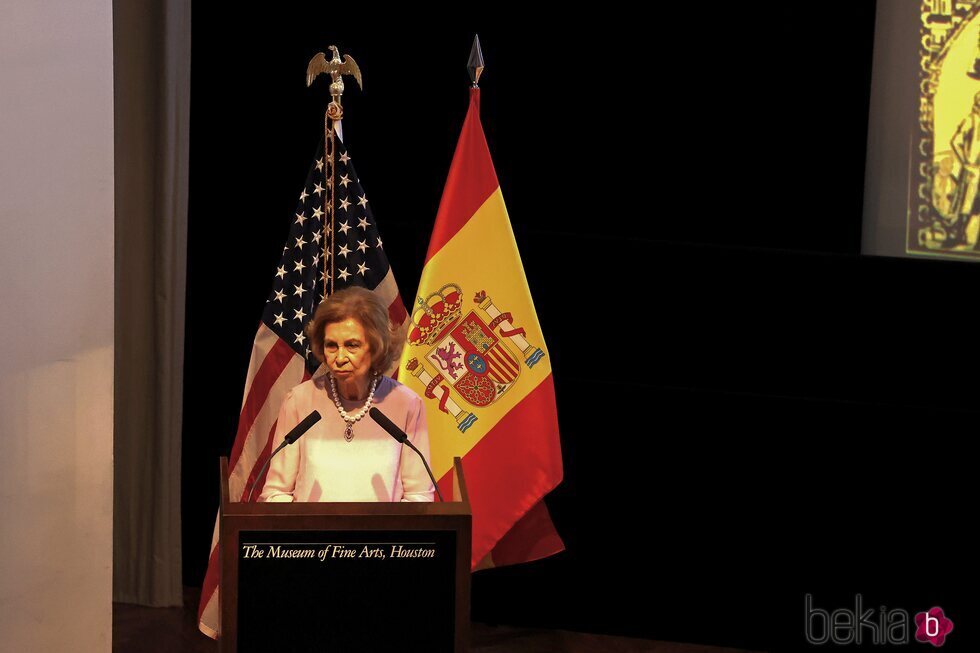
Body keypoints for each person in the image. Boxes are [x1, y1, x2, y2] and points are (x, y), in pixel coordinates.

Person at [260, 287, 434, 502]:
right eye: (331, 346)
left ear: (376, 347)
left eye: (352, 345)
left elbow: (419, 496)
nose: (339, 357)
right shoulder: (299, 401)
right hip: (311, 535)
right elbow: (276, 493)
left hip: (383, 535)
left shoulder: (407, 404)